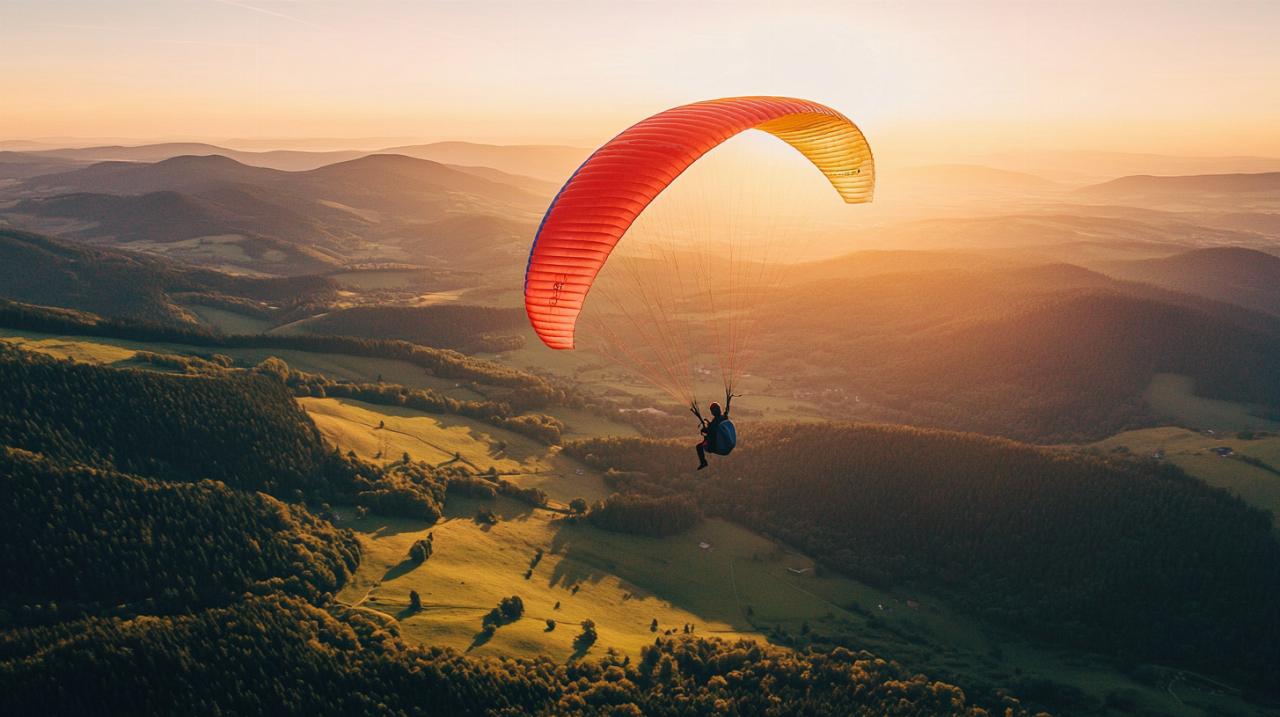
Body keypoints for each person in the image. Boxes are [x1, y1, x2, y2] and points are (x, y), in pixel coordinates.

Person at [693, 393, 735, 470]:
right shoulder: (724, 417)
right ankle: (703, 462)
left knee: (699, 447)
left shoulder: (714, 423)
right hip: (727, 446)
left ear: (712, 412)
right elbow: (727, 410)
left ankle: (703, 462)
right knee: (704, 442)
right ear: (720, 410)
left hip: (716, 447)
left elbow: (708, 432)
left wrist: (704, 429)